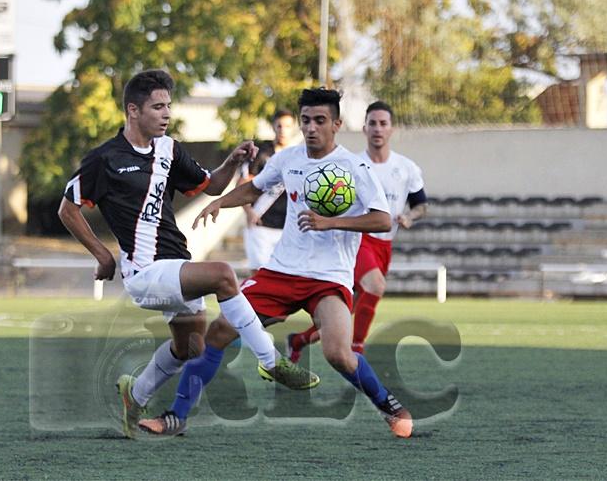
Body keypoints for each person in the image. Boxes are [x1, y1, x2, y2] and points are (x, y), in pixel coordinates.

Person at [138, 88, 414, 439]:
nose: (311, 127)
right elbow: (255, 188)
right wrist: (220, 202)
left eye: (320, 120)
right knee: (219, 332)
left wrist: (330, 222)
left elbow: (382, 219)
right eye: (305, 120)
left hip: (329, 278)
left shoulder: (354, 167)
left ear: (337, 124)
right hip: (281, 272)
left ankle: (390, 407)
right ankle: (176, 416)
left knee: (338, 354)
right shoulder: (289, 159)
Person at [58, 70, 318, 439]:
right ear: (133, 110)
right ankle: (270, 360)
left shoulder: (169, 149)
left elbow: (209, 185)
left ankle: (135, 394)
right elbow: (68, 209)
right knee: (223, 275)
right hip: (144, 272)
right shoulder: (106, 159)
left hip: (175, 263)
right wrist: (103, 256)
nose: (166, 113)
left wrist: (231, 162)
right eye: (157, 107)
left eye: (168, 106)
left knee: (190, 347)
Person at [286, 101, 428, 361]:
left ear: (392, 129)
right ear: (364, 128)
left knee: (347, 308)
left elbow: (421, 205)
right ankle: (357, 351)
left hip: (385, 244)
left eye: (383, 123)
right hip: (358, 240)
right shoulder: (351, 165)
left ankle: (299, 340)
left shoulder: (406, 168)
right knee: (375, 285)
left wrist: (409, 216)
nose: (377, 129)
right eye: (372, 123)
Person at [239, 109, 297, 274]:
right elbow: (242, 185)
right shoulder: (261, 153)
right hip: (261, 225)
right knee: (260, 275)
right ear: (273, 126)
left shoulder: (299, 155)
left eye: (287, 126)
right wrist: (249, 212)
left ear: (294, 128)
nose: (283, 130)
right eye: (279, 126)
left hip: (288, 228)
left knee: (286, 277)